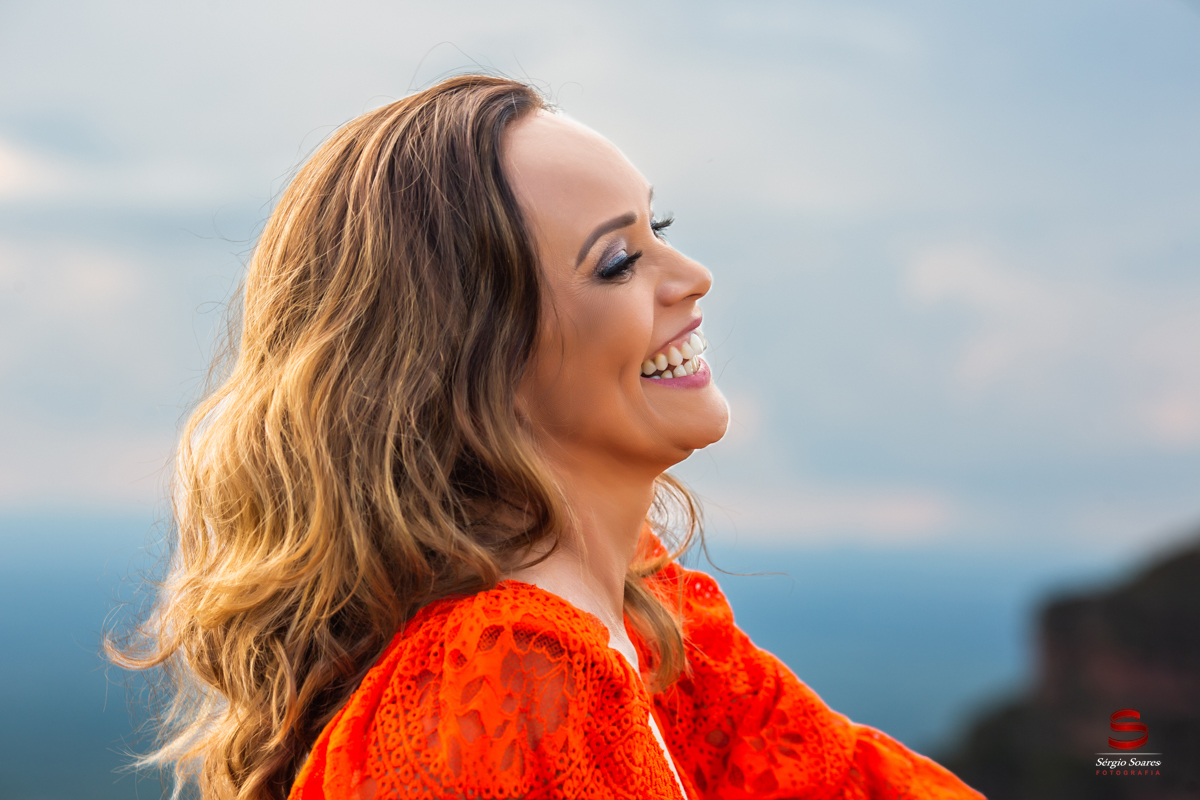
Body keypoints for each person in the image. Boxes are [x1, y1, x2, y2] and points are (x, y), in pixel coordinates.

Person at [114, 75, 985, 800]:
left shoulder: (657, 633)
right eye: (618, 262)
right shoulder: (500, 684)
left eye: (658, 230)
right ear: (472, 363)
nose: (693, 277)